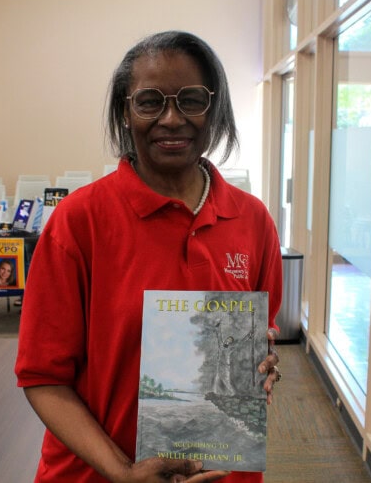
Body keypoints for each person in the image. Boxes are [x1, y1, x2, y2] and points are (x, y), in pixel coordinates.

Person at [15, 30, 283, 482]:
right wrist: (123, 471)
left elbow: (261, 335)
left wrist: (261, 365)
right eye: (150, 101)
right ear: (126, 111)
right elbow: (43, 377)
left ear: (213, 108)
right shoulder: (78, 222)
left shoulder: (252, 221)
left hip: (220, 471)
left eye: (191, 99)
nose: (172, 118)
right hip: (97, 475)